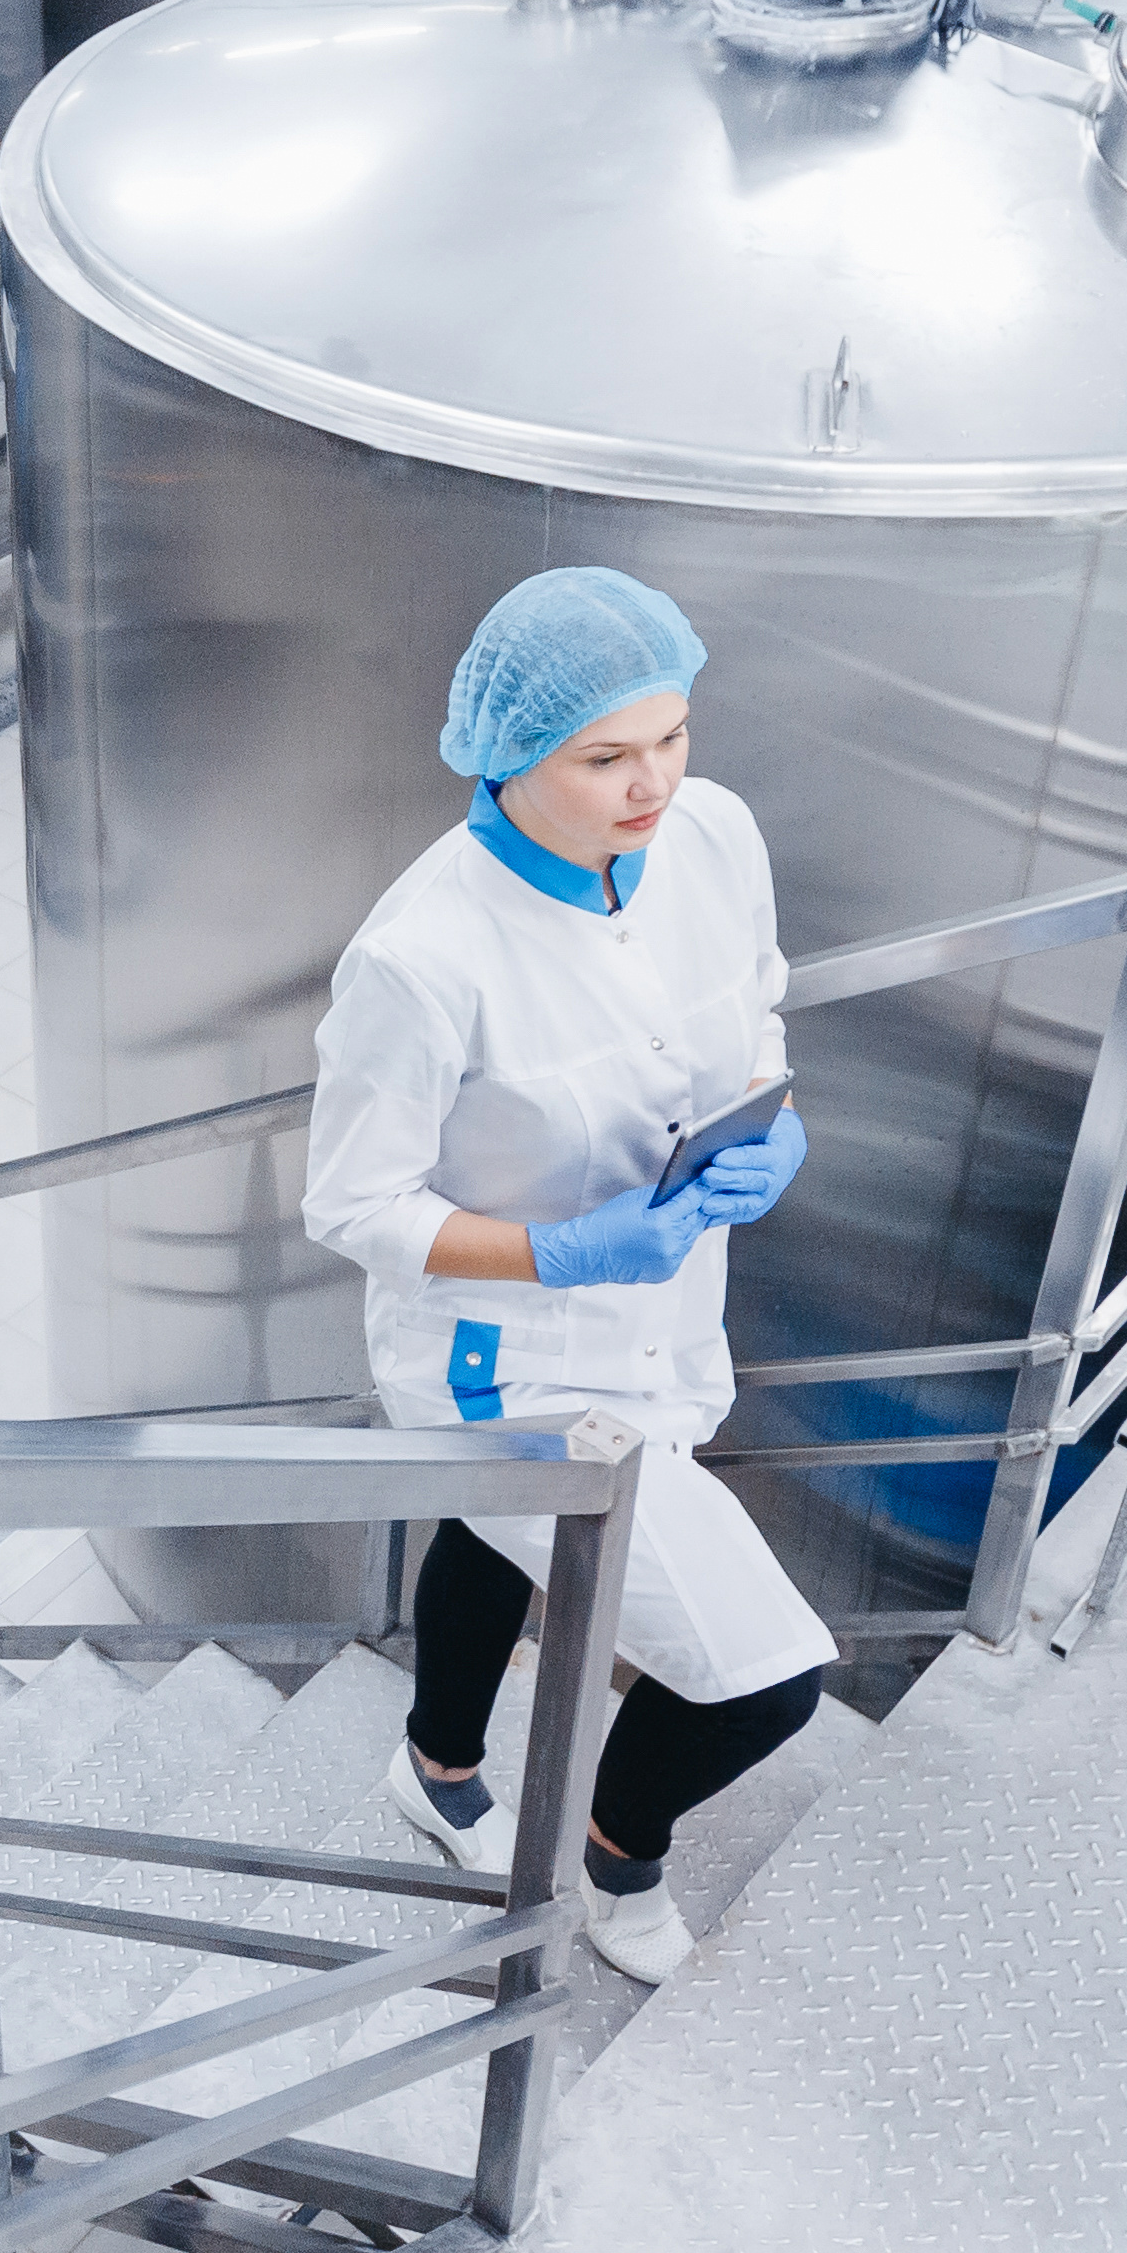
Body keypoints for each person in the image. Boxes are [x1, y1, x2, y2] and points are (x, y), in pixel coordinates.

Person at [301, 564, 833, 1986]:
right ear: (511, 753)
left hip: (663, 1312)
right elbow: (352, 1203)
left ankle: (438, 1769)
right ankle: (617, 1858)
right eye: (604, 757)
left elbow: (757, 1000)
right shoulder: (422, 958)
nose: (650, 783)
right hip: (505, 1358)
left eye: (671, 738)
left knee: (495, 1537)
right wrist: (563, 1251)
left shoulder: (713, 835)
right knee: (767, 1674)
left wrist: (772, 1123)